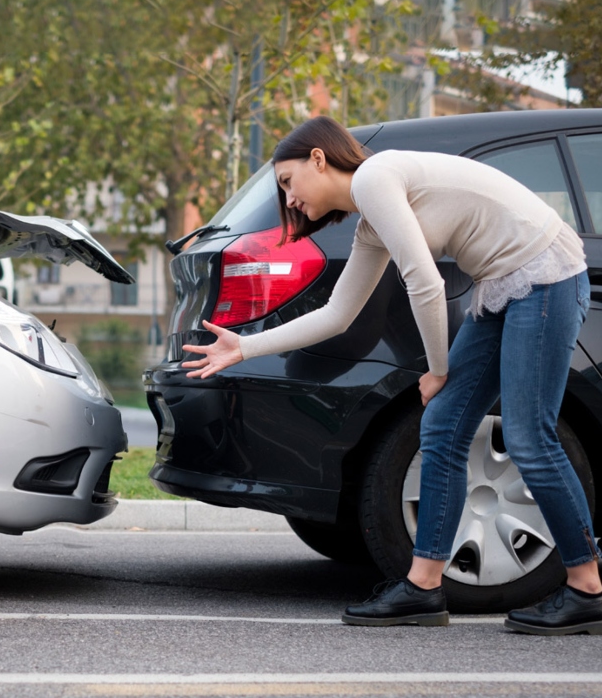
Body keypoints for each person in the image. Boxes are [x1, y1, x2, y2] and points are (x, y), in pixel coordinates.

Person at [182, 116, 602, 636]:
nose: (288, 199)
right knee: (443, 428)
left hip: (546, 277)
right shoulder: (371, 220)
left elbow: (424, 282)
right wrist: (245, 346)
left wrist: (436, 370)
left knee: (527, 435)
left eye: (288, 181)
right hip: (503, 288)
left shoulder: (375, 178)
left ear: (319, 158)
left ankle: (587, 588)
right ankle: (423, 587)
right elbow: (337, 314)